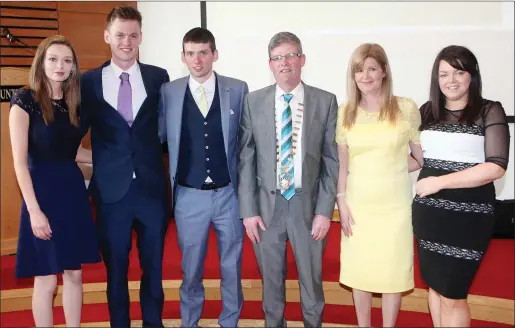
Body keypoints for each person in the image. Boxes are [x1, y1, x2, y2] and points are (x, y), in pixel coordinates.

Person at [238, 31, 339, 328]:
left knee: (312, 283)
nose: (285, 63)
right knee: (271, 285)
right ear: (270, 64)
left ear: (302, 60)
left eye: (292, 55)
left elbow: (331, 161)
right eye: (278, 57)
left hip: (307, 208)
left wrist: (324, 211)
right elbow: (246, 159)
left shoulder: (325, 101)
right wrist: (248, 211)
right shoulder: (253, 102)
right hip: (266, 209)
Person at [80, 5, 170, 327]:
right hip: (110, 195)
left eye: (133, 35)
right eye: (120, 35)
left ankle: (152, 323)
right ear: (107, 36)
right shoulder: (88, 82)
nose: (127, 41)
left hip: (151, 192)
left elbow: (166, 130)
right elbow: (74, 133)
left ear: (141, 36)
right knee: (115, 272)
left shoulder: (159, 77)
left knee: (154, 270)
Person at [412, 45, 510, 327]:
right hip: (429, 216)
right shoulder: (427, 111)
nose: (450, 80)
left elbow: (496, 166)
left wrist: (439, 182)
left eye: (458, 72)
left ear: (472, 76)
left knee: (453, 294)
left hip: (468, 219)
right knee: (434, 287)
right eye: (444, 74)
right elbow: (416, 160)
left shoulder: (490, 110)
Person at [9, 35, 101, 327]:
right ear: (41, 62)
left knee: (75, 274)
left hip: (72, 193)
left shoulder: (75, 104)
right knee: (47, 278)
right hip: (41, 194)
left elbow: (73, 152)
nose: (59, 66)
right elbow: (20, 163)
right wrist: (34, 210)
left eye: (66, 60)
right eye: (53, 59)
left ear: (73, 67)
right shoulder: (24, 100)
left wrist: (113, 160)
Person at [160, 27, 248, 328]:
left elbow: (247, 144)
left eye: (203, 52)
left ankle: (230, 322)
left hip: (229, 194)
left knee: (232, 267)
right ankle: (190, 322)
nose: (196, 59)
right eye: (190, 53)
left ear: (214, 54)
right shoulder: (168, 92)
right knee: (191, 268)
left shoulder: (237, 89)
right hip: (188, 195)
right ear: (183, 57)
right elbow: (157, 136)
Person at [335, 43, 424, 327]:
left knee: (392, 273)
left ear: (384, 71)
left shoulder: (406, 108)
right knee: (360, 272)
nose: (365, 75)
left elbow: (420, 159)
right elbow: (343, 166)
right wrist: (341, 201)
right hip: (358, 206)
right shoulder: (345, 111)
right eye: (359, 70)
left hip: (395, 207)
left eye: (372, 68)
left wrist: (393, 167)